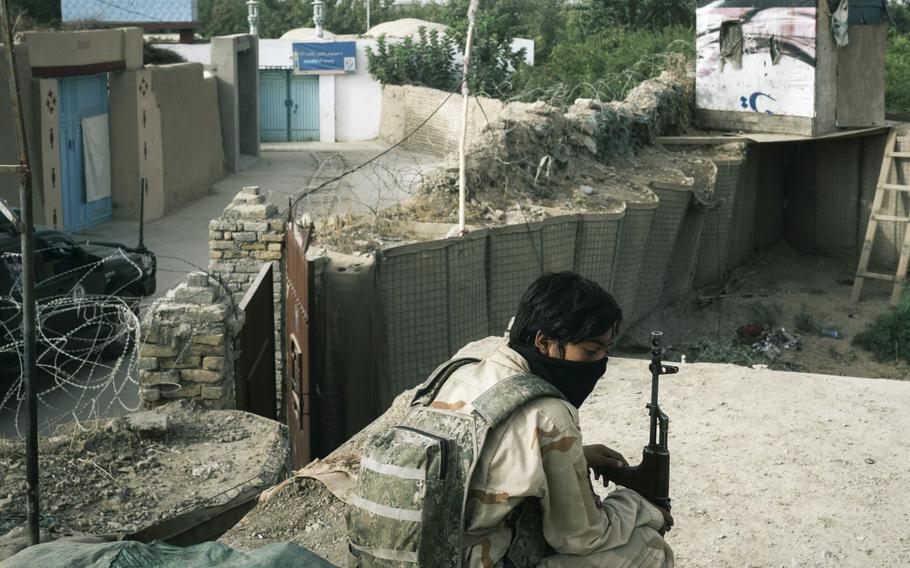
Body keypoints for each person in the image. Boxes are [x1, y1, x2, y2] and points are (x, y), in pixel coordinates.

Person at [430, 271, 674, 567]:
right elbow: (582, 537)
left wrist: (576, 457)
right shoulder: (549, 414)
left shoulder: (460, 374)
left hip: (428, 550)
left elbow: (476, 458)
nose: (600, 363)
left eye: (606, 350)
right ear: (544, 342)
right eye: (590, 351)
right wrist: (641, 506)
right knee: (648, 548)